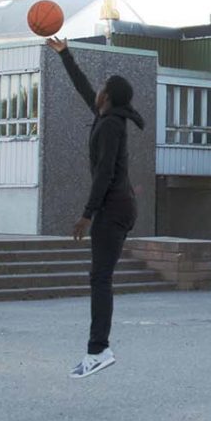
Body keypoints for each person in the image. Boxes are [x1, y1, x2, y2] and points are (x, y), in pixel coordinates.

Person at [47, 37, 146, 379]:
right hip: (118, 207)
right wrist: (65, 55)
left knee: (100, 278)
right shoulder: (107, 115)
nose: (98, 89)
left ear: (109, 96)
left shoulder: (111, 125)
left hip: (113, 209)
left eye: (103, 87)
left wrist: (87, 214)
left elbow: (104, 173)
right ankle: (98, 348)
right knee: (99, 277)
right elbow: (82, 86)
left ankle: (99, 350)